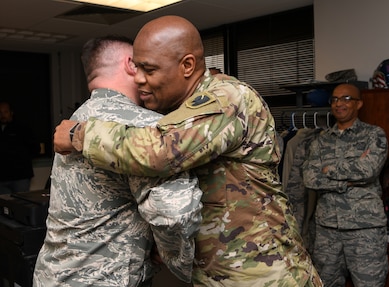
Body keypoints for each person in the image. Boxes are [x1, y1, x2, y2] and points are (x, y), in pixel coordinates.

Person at [53, 15, 322, 287]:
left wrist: (80, 134)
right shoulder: (180, 110)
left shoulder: (226, 97)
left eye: (150, 69)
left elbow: (160, 152)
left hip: (262, 273)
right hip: (218, 272)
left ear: (187, 65)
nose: (140, 80)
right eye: (137, 68)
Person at [33, 35, 202, 286]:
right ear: (131, 64)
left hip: (54, 275)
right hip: (106, 279)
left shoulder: (76, 119)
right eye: (144, 65)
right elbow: (174, 212)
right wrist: (176, 258)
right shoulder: (144, 125)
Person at [302, 83, 389, 287]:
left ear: (358, 104)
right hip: (327, 230)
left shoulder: (374, 135)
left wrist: (329, 170)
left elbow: (368, 171)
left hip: (364, 229)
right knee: (325, 283)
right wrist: (347, 181)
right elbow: (309, 178)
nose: (339, 104)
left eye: (346, 99)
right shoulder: (319, 141)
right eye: (334, 99)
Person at [0, 101, 40, 194]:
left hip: (20, 176)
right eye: (0, 112)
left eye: (5, 112)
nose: (2, 115)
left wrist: (22, 159)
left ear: (11, 112)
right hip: (2, 178)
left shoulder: (22, 128)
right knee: (3, 206)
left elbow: (35, 148)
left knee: (21, 204)